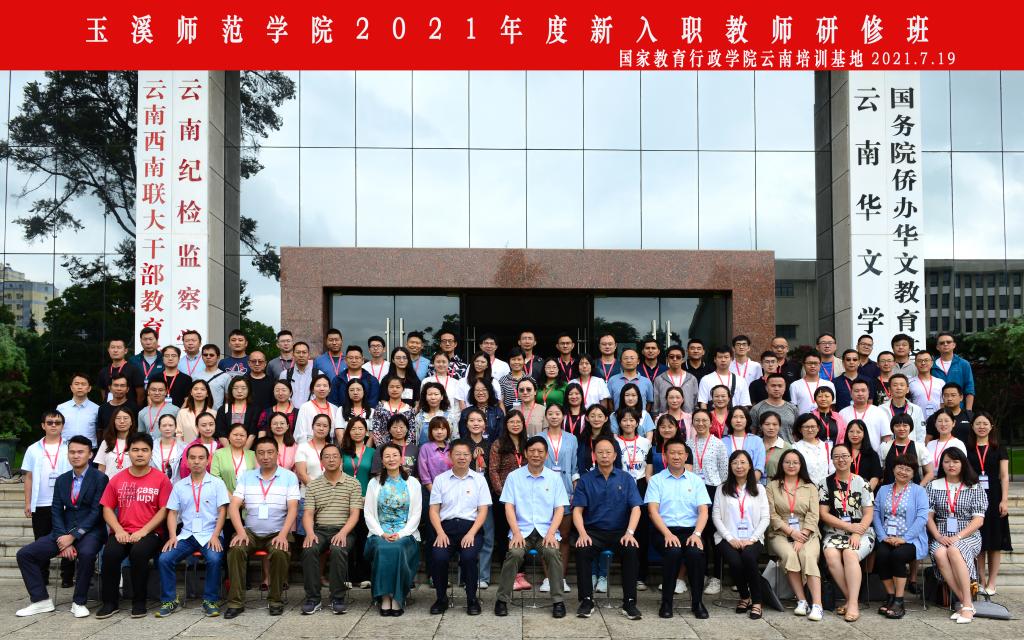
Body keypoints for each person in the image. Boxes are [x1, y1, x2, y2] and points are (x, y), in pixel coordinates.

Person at [15, 436, 108, 618]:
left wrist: (72, 537)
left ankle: (79, 602)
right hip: (63, 531)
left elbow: (96, 512)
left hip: (90, 531)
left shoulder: (100, 478)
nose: (76, 456)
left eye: (80, 452)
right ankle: (41, 600)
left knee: (87, 554)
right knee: (25, 554)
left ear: (90, 454)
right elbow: (56, 511)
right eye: (72, 452)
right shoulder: (62, 480)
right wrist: (61, 538)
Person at [96, 432, 172, 619]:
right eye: (135, 450)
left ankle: (139, 602)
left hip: (150, 533)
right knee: (110, 554)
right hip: (122, 531)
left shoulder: (161, 479)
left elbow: (164, 510)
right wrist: (118, 530)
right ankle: (110, 602)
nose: (139, 454)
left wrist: (144, 531)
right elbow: (107, 508)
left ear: (151, 453)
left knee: (139, 554)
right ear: (128, 452)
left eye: (144, 450)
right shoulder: (117, 479)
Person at [493, 436, 570, 618]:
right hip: (522, 531)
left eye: (540, 451)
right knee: (514, 554)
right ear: (526, 453)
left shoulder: (554, 478)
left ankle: (558, 601)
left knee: (552, 553)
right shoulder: (514, 477)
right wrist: (516, 533)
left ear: (546, 455)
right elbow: (509, 506)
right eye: (532, 451)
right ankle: (502, 600)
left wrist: (551, 533)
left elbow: (559, 508)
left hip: (546, 531)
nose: (536, 455)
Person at [225, 437, 301, 618]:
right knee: (236, 549)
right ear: (256, 456)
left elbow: (293, 508)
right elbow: (234, 506)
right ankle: (235, 602)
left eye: (270, 452)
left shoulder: (289, 477)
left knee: (280, 551)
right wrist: (241, 532)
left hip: (277, 531)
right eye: (261, 453)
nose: (265, 457)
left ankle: (275, 600)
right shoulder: (247, 476)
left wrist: (283, 534)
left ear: (277, 454)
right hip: (250, 532)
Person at [155, 442, 230, 618]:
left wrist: (216, 535)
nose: (196, 461)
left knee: (214, 559)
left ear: (207, 460)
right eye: (193, 458)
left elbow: (222, 511)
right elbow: (172, 513)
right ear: (187, 461)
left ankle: (210, 600)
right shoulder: (180, 486)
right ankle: (169, 600)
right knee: (165, 558)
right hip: (187, 535)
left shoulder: (217, 483)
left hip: (210, 534)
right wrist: (172, 536)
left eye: (201, 458)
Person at [572, 436, 643, 620]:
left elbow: (636, 508)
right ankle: (586, 600)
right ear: (594, 455)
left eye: (608, 452)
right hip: (593, 532)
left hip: (620, 532)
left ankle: (629, 602)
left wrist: (630, 533)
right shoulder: (586, 480)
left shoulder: (626, 478)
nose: (604, 455)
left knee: (631, 549)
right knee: (582, 549)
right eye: (600, 452)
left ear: (615, 455)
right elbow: (577, 510)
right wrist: (582, 534)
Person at [646, 438, 711, 619]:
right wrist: (667, 534)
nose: (676, 456)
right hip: (664, 531)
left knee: (695, 554)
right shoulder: (656, 480)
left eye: (680, 453)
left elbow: (703, 511)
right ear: (665, 456)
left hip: (691, 531)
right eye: (672, 453)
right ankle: (667, 602)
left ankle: (697, 602)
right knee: (673, 552)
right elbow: (652, 511)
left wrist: (697, 534)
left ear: (686, 456)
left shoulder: (695, 480)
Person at [427, 439, 491, 615]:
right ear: (450, 456)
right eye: (458, 454)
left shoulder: (479, 480)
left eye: (465, 454)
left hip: (471, 529)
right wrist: (440, 532)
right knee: (439, 557)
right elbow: (434, 510)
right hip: (445, 530)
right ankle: (441, 598)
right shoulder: (440, 480)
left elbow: (483, 511)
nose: (462, 457)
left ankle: (472, 599)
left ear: (471, 456)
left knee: (469, 557)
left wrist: (471, 533)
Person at [926, 447, 987, 624]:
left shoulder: (974, 486)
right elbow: (928, 517)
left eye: (955, 461)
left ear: (963, 463)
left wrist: (958, 537)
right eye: (947, 462)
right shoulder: (933, 485)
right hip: (941, 533)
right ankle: (965, 602)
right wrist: (938, 536)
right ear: (942, 464)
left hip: (968, 534)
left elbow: (978, 521)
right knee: (939, 553)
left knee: (954, 549)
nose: (951, 465)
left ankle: (966, 604)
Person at [300, 443, 363, 615]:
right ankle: (313, 598)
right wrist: (310, 533)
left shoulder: (353, 483)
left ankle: (337, 597)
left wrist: (343, 533)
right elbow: (308, 514)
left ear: (341, 460)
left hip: (344, 530)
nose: (331, 459)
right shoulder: (313, 485)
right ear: (321, 461)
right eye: (327, 457)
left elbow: (355, 514)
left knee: (338, 548)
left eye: (335, 456)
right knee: (309, 548)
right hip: (320, 530)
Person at [818, 443, 875, 622]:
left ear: (851, 458)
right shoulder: (824, 483)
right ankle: (852, 600)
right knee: (830, 554)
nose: (841, 460)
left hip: (862, 531)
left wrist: (857, 532)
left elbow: (868, 513)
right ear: (832, 460)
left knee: (850, 553)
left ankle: (852, 604)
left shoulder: (862, 482)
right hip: (835, 532)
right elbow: (823, 514)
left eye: (844, 456)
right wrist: (849, 528)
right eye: (836, 456)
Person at [365, 442, 423, 616]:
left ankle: (397, 597)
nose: (391, 459)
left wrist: (401, 534)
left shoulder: (413, 483)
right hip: (379, 532)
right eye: (387, 456)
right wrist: (382, 533)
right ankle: (385, 597)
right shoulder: (374, 483)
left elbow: (416, 514)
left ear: (401, 459)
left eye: (395, 455)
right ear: (382, 461)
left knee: (397, 548)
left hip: (406, 533)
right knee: (383, 548)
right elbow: (368, 513)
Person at [766, 449, 823, 621]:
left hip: (807, 530)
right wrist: (791, 532)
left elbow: (814, 514)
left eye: (795, 462)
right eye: (787, 462)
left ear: (801, 465)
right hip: (780, 531)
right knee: (790, 554)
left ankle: (817, 605)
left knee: (807, 555)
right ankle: (802, 600)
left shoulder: (810, 487)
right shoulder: (772, 486)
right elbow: (772, 515)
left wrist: (802, 535)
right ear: (781, 464)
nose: (791, 465)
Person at [712, 450, 770, 620]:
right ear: (730, 466)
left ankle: (757, 602)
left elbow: (765, 518)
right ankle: (745, 597)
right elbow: (716, 516)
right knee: (735, 561)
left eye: (743, 462)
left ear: (750, 465)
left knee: (748, 557)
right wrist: (730, 538)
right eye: (735, 462)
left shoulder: (759, 489)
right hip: (726, 537)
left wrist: (752, 539)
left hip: (753, 537)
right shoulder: (722, 488)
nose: (739, 466)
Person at [21, 411, 74, 590]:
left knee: (67, 538)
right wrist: (28, 502)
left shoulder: (69, 447)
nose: (53, 425)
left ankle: (67, 577)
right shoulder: (33, 449)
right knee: (41, 540)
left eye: (57, 422)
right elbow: (29, 477)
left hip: (65, 502)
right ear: (43, 425)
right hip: (41, 502)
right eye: (49, 422)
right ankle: (42, 576)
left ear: (62, 426)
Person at [872, 455, 930, 619]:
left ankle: (899, 600)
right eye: (900, 467)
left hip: (911, 539)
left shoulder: (919, 491)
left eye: (908, 469)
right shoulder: (884, 490)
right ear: (893, 469)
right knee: (881, 555)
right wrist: (882, 536)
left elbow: (922, 518)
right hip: (887, 537)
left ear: (913, 473)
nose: (903, 472)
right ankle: (890, 596)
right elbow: (876, 514)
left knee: (897, 556)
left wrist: (904, 538)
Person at [966, 412, 1011, 596]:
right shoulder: (967, 448)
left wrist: (1004, 500)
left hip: (994, 496)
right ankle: (981, 580)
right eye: (978, 423)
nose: (982, 427)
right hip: (974, 496)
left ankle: (992, 582)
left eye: (985, 423)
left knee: (995, 542)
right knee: (979, 541)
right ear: (972, 426)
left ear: (991, 426)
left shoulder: (998, 448)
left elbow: (1004, 476)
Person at [686, 409, 728, 595]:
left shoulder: (718, 444)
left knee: (714, 536)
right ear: (693, 423)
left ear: (711, 423)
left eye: (704, 420)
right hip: (694, 492)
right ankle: (700, 574)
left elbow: (724, 472)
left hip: (713, 490)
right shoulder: (688, 444)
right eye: (697, 420)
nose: (701, 423)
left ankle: (716, 577)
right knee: (698, 533)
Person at [540, 403, 579, 593]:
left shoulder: (572, 438)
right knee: (546, 537)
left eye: (558, 413)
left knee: (563, 537)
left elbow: (574, 467)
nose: (554, 416)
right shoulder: (539, 437)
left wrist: (575, 491)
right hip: (543, 491)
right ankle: (548, 578)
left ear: (563, 416)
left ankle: (561, 578)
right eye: (550, 413)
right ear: (546, 416)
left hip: (566, 492)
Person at [340, 417, 375, 589]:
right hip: (345, 500)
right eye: (353, 429)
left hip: (366, 500)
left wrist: (368, 497)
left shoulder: (372, 452)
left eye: (361, 429)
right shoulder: (342, 451)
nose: (357, 432)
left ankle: (363, 576)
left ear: (366, 431)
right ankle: (346, 575)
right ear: (348, 431)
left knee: (363, 537)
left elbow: (374, 477)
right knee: (347, 538)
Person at [839, 379, 891, 454]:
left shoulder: (879, 412)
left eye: (863, 390)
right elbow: (840, 437)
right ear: (851, 393)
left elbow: (886, 437)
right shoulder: (842, 413)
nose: (860, 394)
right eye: (856, 391)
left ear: (868, 393)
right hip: (849, 456)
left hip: (873, 456)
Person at [880, 414, 934, 486]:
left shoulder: (919, 448)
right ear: (892, 428)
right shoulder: (884, 447)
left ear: (910, 427)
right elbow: (879, 472)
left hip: (913, 491)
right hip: (889, 491)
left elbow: (930, 473)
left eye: (905, 425)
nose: (901, 429)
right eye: (897, 426)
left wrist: (919, 487)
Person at [214, 376, 261, 448]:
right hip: (227, 449)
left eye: (243, 388)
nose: (239, 391)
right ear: (231, 390)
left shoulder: (255, 409)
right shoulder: (223, 409)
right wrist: (229, 451)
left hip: (249, 449)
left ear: (249, 390)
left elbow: (253, 433)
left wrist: (244, 451)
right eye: (235, 388)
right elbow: (221, 432)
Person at [750, 373, 798, 442]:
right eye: (773, 386)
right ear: (766, 388)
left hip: (788, 447)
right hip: (764, 447)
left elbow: (796, 433)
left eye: (780, 386)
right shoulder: (756, 409)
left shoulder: (793, 408)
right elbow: (752, 433)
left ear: (785, 388)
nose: (776, 389)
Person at [932, 332, 975, 410]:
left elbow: (969, 388)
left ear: (954, 345)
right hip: (937, 409)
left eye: (948, 342)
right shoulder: (932, 365)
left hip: (959, 409)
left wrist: (969, 411)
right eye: (942, 343)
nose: (945, 344)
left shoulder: (963, 364)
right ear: (937, 347)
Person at [880, 374, 927, 445]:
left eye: (902, 385)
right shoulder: (881, 410)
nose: (899, 388)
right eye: (895, 385)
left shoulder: (916, 409)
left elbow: (921, 433)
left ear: (907, 389)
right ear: (889, 390)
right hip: (888, 448)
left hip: (911, 449)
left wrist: (918, 449)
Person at [95, 374, 137, 451]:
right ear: (110, 388)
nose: (119, 388)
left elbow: (136, 429)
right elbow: (100, 431)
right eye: (116, 385)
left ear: (127, 389)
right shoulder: (103, 408)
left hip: (128, 448)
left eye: (122, 386)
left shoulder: (134, 407)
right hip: (107, 447)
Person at [722, 406, 766, 481]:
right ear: (730, 420)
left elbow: (759, 466)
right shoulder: (722, 442)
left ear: (747, 420)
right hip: (727, 483)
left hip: (752, 484)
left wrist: (748, 484)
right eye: (735, 417)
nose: (738, 420)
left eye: (742, 417)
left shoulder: (757, 441)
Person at [98, 338, 145, 406]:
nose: (115, 350)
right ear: (108, 350)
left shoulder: (134, 370)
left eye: (119, 347)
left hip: (128, 410)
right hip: (109, 409)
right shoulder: (103, 371)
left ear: (125, 351)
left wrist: (134, 409)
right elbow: (103, 393)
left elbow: (141, 395)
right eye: (112, 347)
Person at [295, 373, 340, 444]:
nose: (322, 389)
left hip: (330, 446)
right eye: (318, 386)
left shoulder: (335, 409)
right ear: (312, 389)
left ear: (329, 389)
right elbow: (300, 433)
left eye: (325, 386)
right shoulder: (305, 407)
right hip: (309, 446)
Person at [57, 374, 100, 448]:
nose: (80, 387)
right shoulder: (61, 408)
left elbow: (100, 431)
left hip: (89, 450)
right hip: (65, 449)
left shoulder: (97, 409)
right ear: (71, 387)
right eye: (76, 384)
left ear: (89, 388)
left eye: (83, 384)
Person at [371, 375, 416, 445]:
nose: (394, 389)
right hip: (384, 447)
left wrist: (405, 446)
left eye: (398, 387)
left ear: (403, 389)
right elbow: (376, 430)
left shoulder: (409, 410)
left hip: (404, 447)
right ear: (387, 389)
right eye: (391, 387)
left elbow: (412, 432)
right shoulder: (380, 408)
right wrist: (383, 447)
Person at [652, 345, 697, 414]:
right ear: (667, 359)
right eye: (671, 357)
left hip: (688, 417)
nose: (675, 359)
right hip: (665, 418)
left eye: (678, 357)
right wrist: (656, 416)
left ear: (682, 359)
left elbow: (696, 402)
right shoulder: (659, 379)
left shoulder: (691, 379)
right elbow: (656, 403)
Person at [841, 419, 883, 490]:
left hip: (866, 493)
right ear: (847, 433)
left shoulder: (872, 454)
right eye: (851, 431)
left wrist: (865, 493)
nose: (854, 435)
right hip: (844, 492)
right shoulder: (842, 452)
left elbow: (875, 478)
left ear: (864, 434)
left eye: (858, 432)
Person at [793, 413, 832, 485]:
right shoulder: (795, 448)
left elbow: (832, 469)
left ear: (818, 428)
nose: (810, 430)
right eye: (806, 427)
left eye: (813, 426)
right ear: (800, 429)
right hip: (805, 487)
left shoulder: (827, 446)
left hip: (826, 487)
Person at [95, 407, 134, 478]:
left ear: (131, 422)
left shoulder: (136, 442)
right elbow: (101, 468)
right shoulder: (106, 442)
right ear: (113, 421)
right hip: (110, 483)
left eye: (125, 418)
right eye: (118, 418)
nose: (122, 421)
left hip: (131, 483)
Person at [927, 409, 969, 473]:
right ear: (935, 424)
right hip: (931, 478)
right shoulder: (930, 444)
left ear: (953, 423)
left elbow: (962, 467)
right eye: (940, 421)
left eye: (946, 421)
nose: (943, 424)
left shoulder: (958, 444)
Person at [280, 342, 321, 406]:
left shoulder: (319, 374)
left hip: (312, 410)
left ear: (309, 355)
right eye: (298, 352)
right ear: (293, 355)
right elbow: (281, 394)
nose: (301, 355)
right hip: (290, 410)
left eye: (304, 352)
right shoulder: (285, 374)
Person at [193, 343, 231, 410]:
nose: (208, 357)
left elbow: (228, 399)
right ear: (202, 357)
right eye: (205, 355)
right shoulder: (195, 376)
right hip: (198, 413)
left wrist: (226, 412)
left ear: (218, 357)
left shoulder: (225, 377)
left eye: (211, 355)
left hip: (217, 414)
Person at [908, 351, 944, 421]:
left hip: (937, 421)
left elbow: (942, 404)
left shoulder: (940, 382)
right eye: (919, 361)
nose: (923, 363)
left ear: (932, 363)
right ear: (915, 364)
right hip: (917, 421)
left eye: (926, 360)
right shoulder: (909, 383)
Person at [759, 411, 791, 483]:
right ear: (761, 426)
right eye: (767, 424)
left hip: (778, 485)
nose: (771, 427)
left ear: (779, 426)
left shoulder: (787, 447)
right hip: (755, 485)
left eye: (775, 424)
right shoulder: (755, 445)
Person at [152, 414, 185, 482]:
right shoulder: (151, 447)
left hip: (177, 485)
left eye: (170, 425)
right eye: (164, 425)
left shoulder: (184, 447)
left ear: (175, 427)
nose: (167, 428)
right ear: (159, 428)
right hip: (156, 483)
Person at [498, 347, 531, 412]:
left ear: (524, 361)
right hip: (509, 414)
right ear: (509, 361)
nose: (516, 362)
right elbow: (501, 402)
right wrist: (505, 415)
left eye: (519, 359)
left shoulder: (530, 380)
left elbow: (533, 400)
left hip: (527, 413)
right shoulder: (503, 380)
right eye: (513, 359)